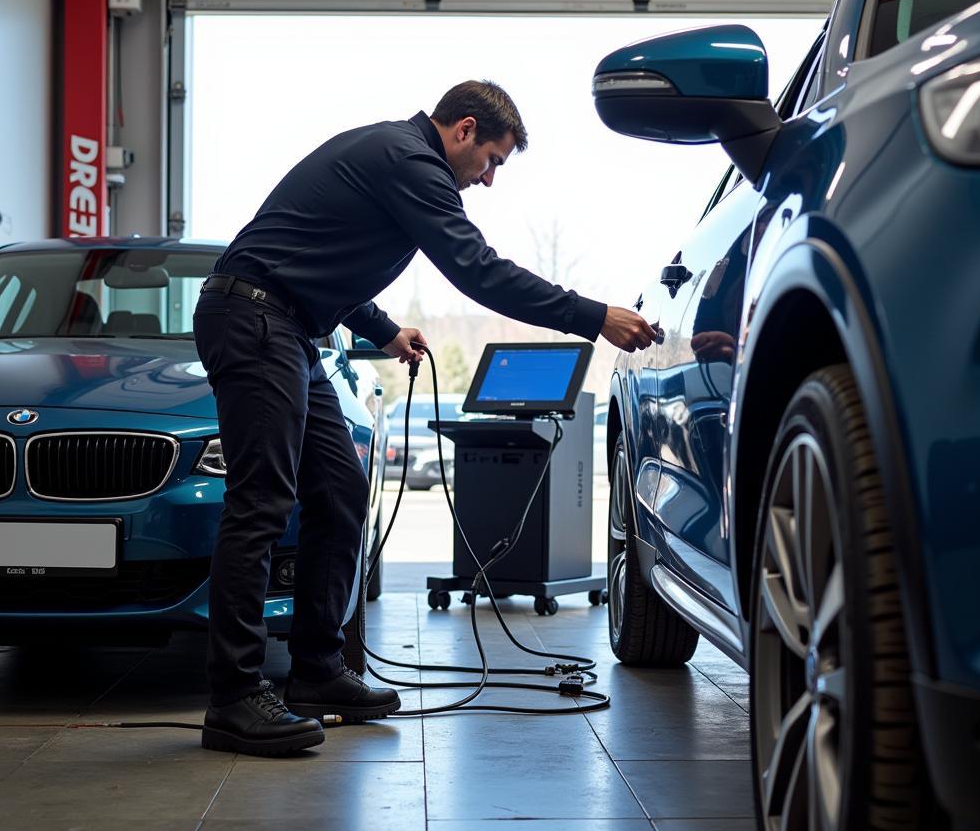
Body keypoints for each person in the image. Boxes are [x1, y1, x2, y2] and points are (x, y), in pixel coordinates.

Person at [194, 80, 657, 756]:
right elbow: (478, 271)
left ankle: (317, 673)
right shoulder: (411, 162)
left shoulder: (391, 156)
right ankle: (233, 698)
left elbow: (320, 256)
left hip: (288, 324)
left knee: (342, 491)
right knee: (261, 500)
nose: (490, 179)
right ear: (464, 130)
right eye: (493, 160)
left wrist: (382, 330)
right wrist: (593, 316)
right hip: (255, 319)